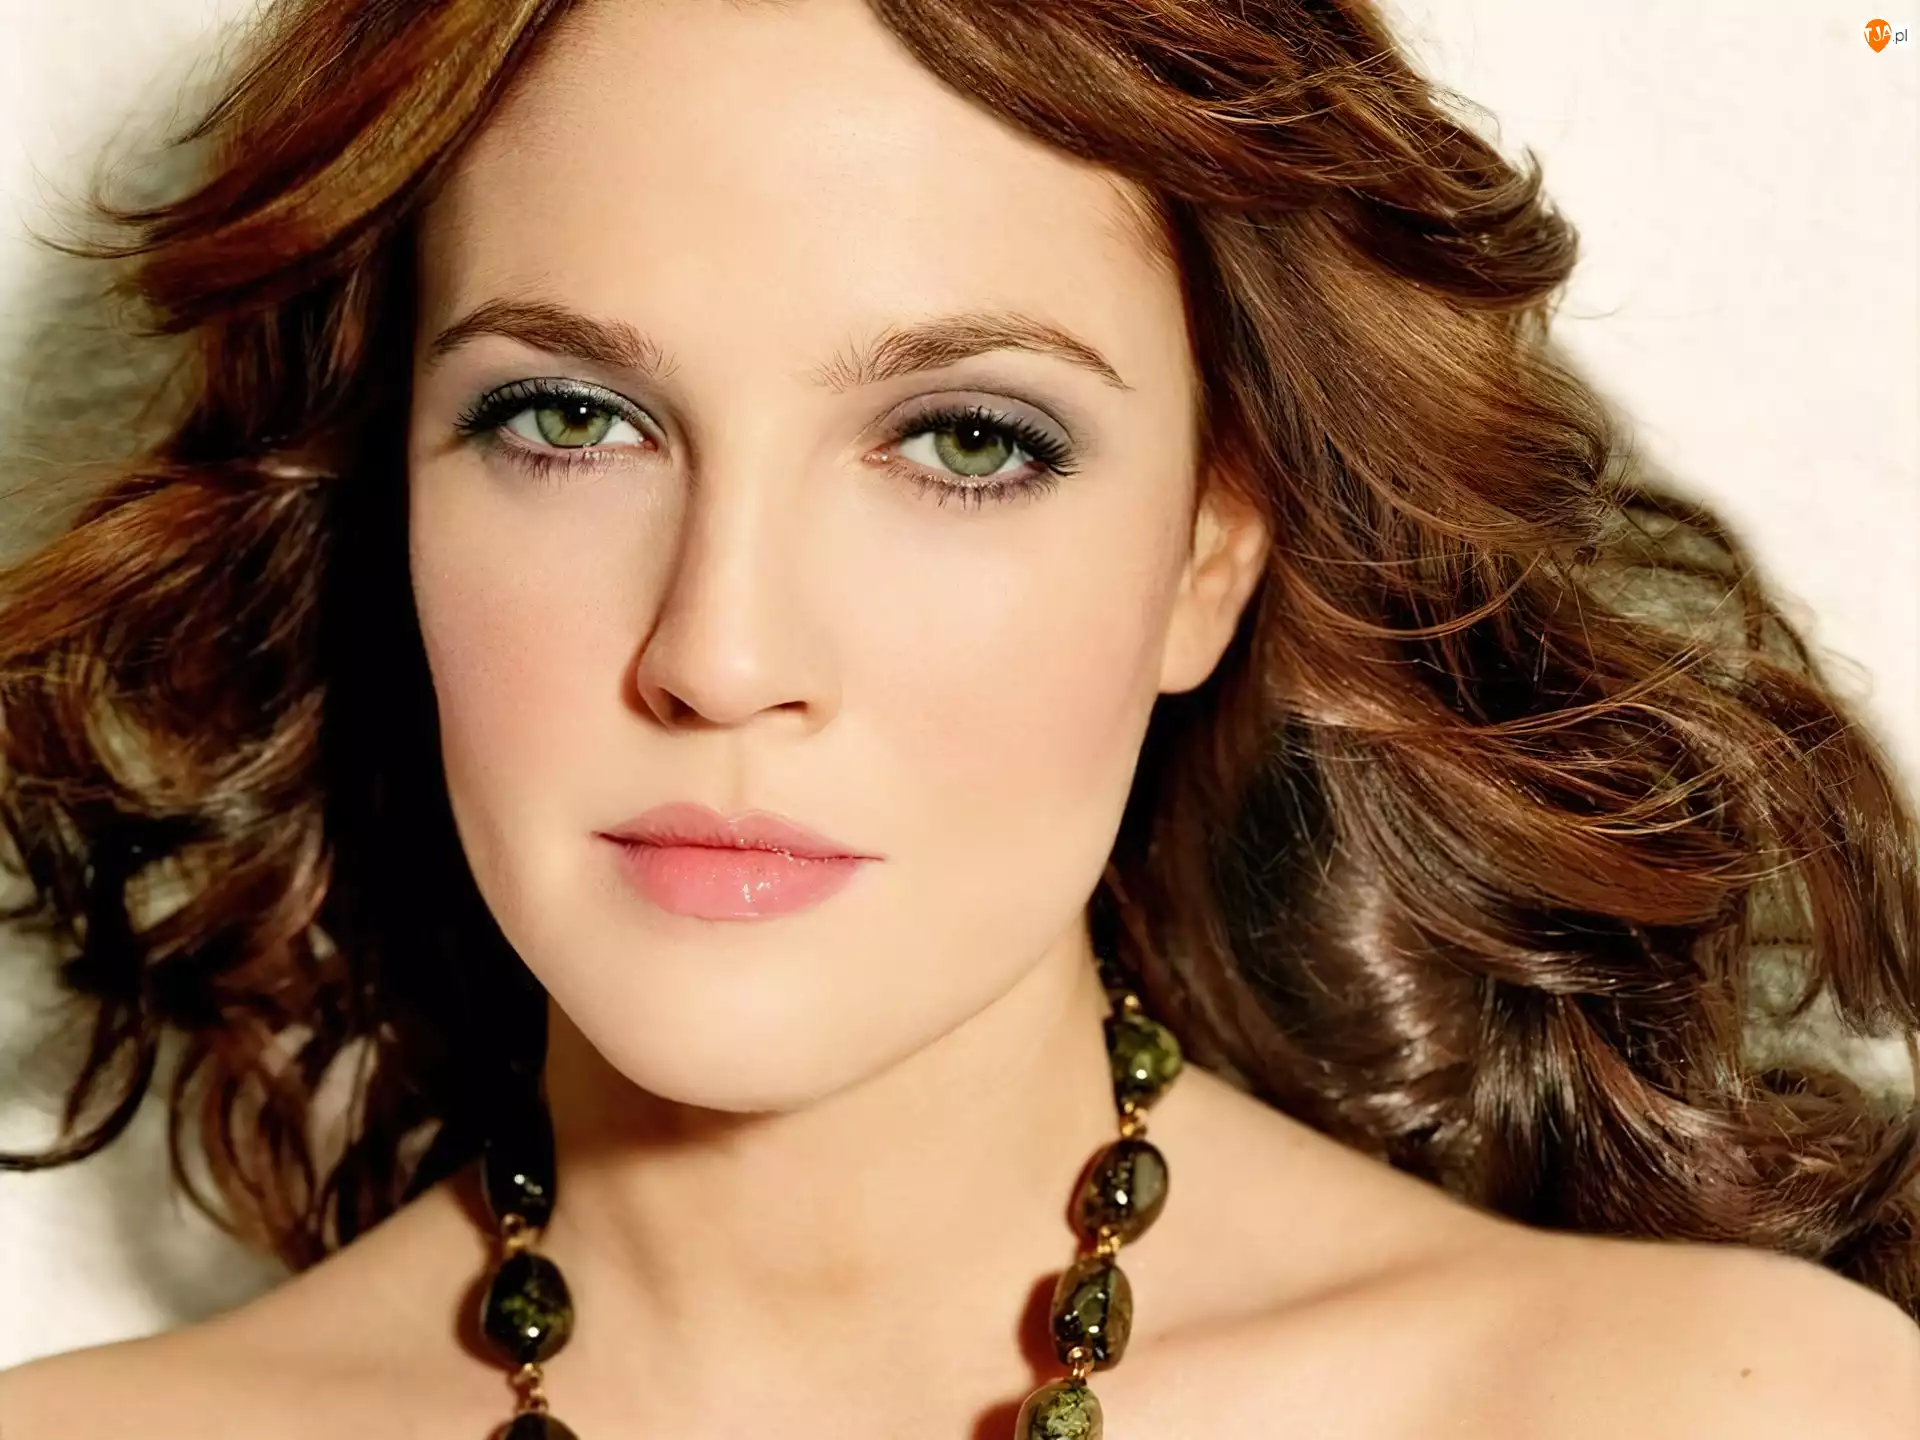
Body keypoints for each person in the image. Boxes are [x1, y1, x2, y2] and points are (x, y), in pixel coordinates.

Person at [1, 0, 1917, 1434]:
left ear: (1212, 551)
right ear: (388, 499)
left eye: (967, 442)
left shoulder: (1708, 1413)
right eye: (569, 417)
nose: (720, 652)